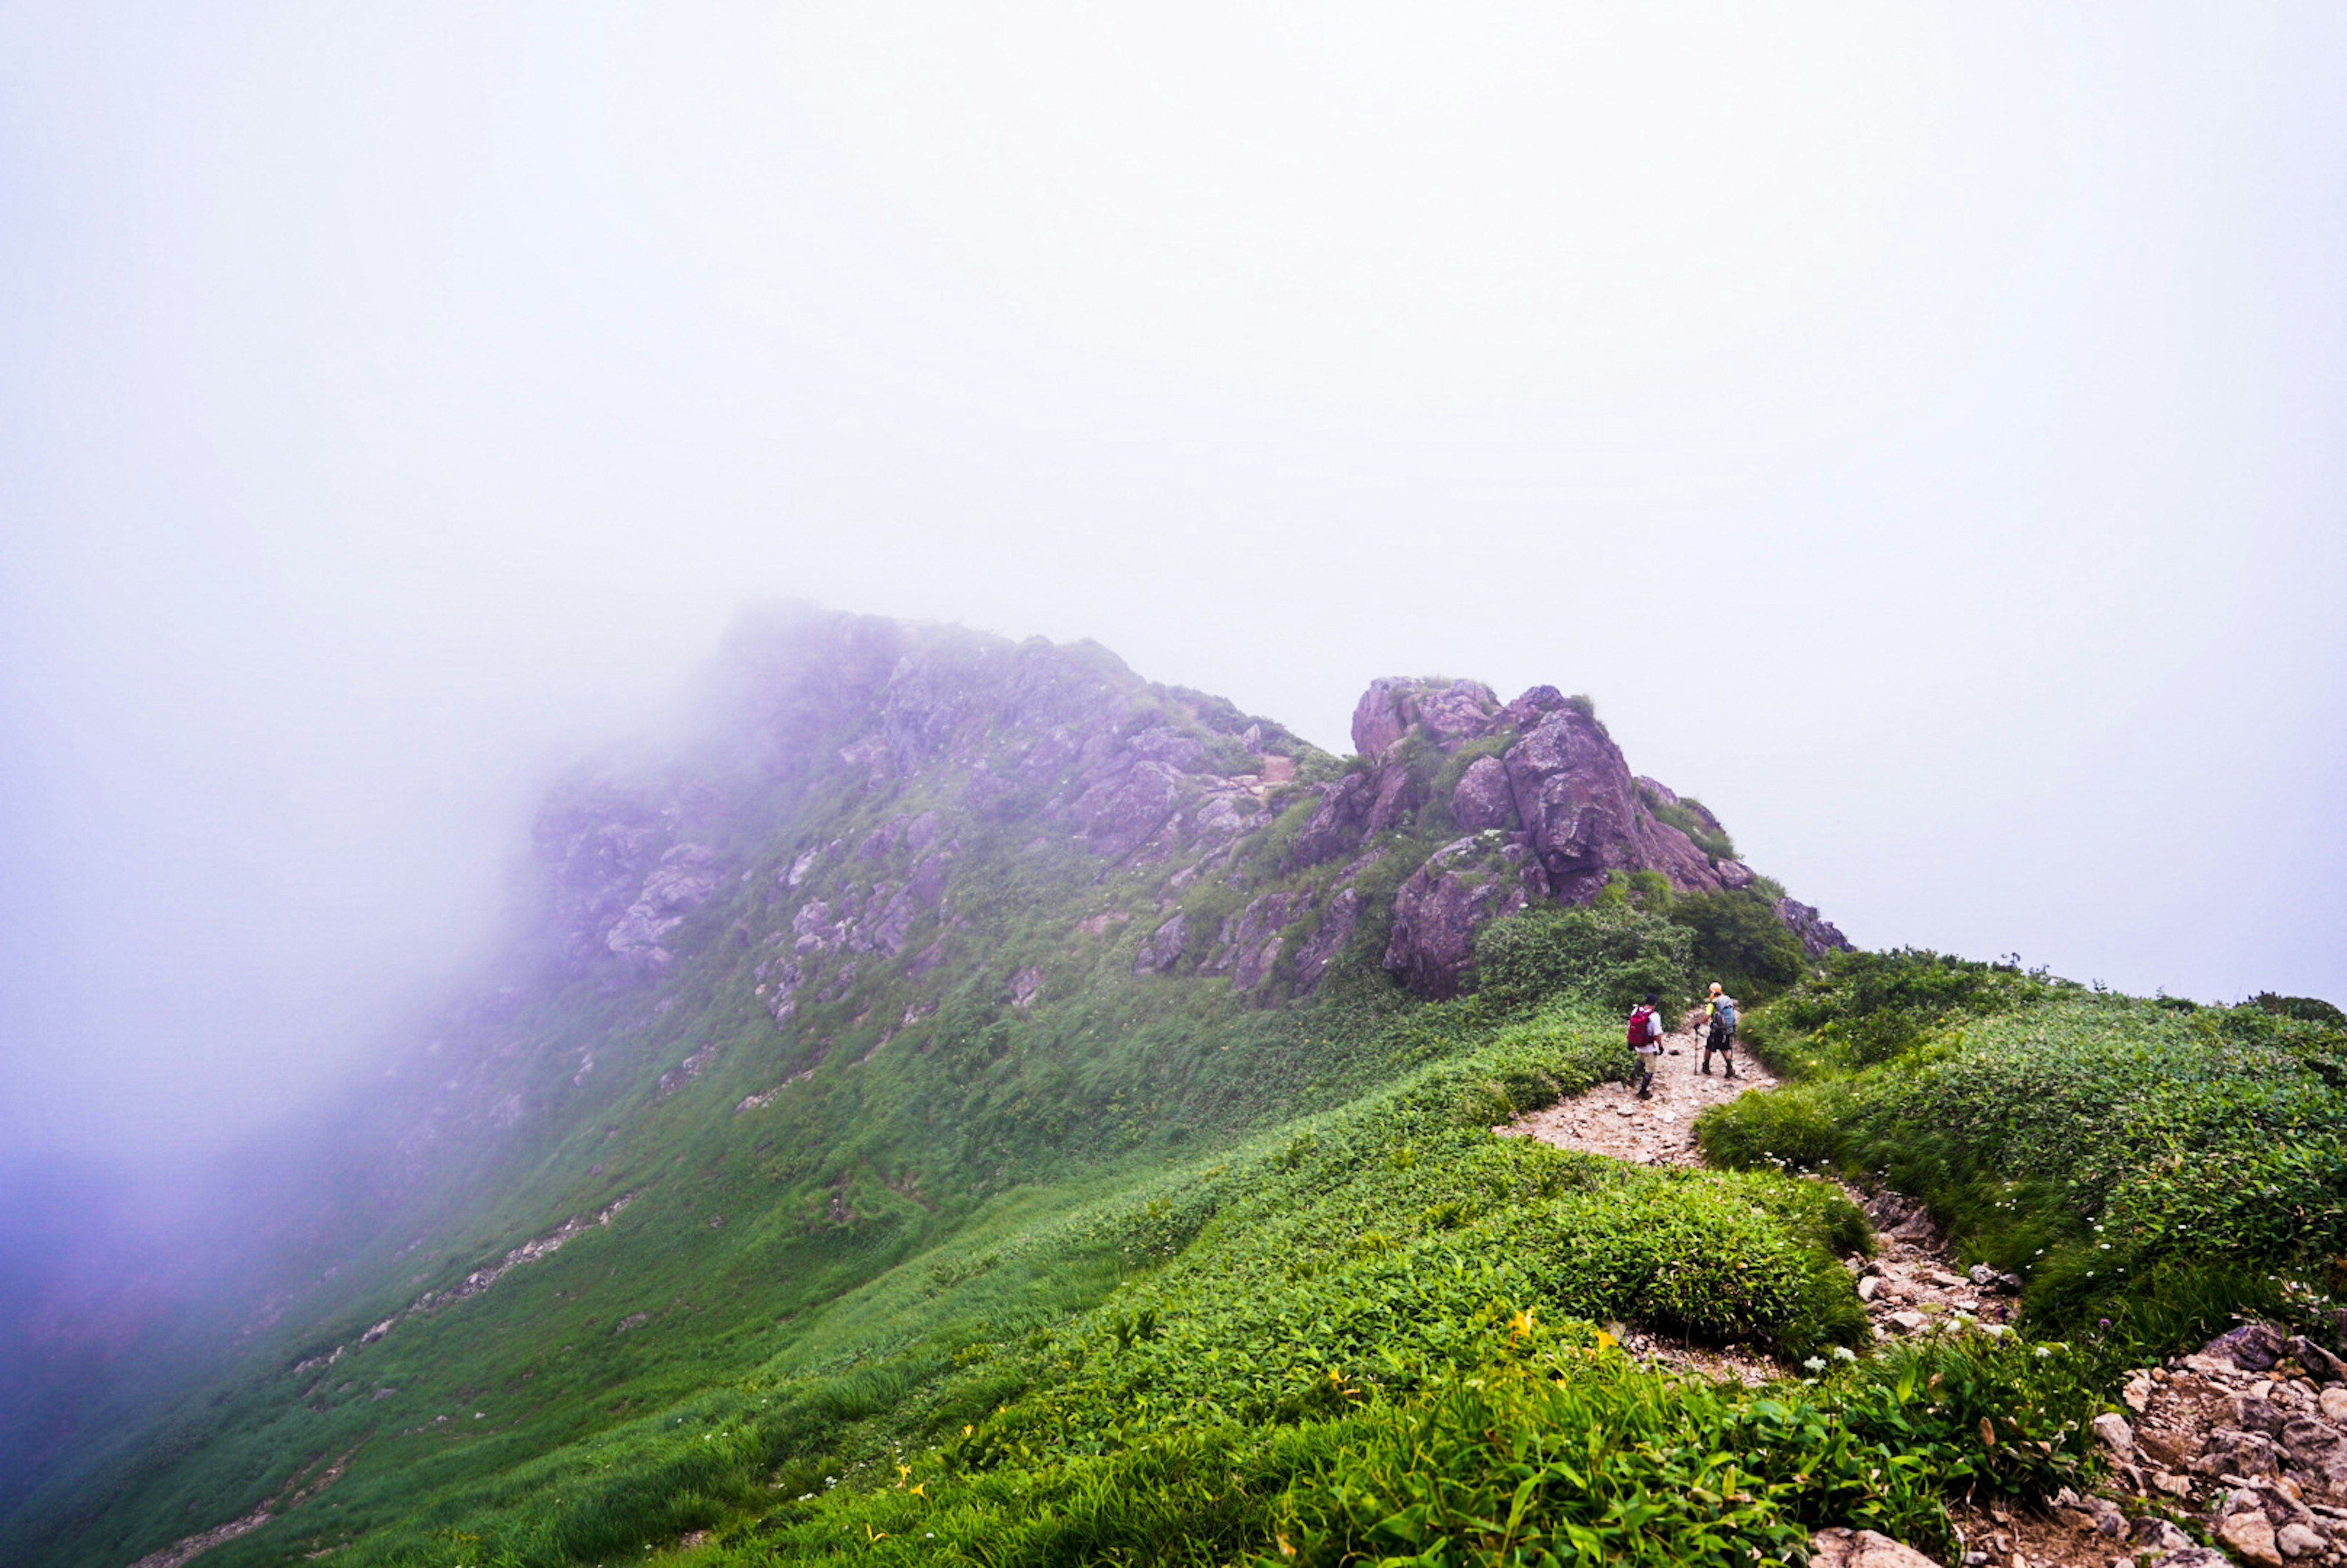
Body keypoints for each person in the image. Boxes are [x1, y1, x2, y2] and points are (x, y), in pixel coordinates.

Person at [1625, 991, 1664, 1098]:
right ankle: (1643, 1091)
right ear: (1655, 1003)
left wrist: (1630, 1042)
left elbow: (1630, 1028)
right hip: (1649, 1046)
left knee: (1641, 1061)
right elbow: (1657, 1034)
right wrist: (1660, 1046)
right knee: (1650, 1069)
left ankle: (1632, 1077)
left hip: (1638, 1045)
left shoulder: (1636, 1011)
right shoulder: (1654, 1016)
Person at [1701, 981, 1739, 1079]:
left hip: (1717, 1030)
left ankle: (1706, 1066)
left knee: (1709, 1046)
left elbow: (1707, 1017)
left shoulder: (1713, 1003)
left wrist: (1698, 1024)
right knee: (1725, 1048)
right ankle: (1730, 1067)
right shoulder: (1727, 1000)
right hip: (1728, 1028)